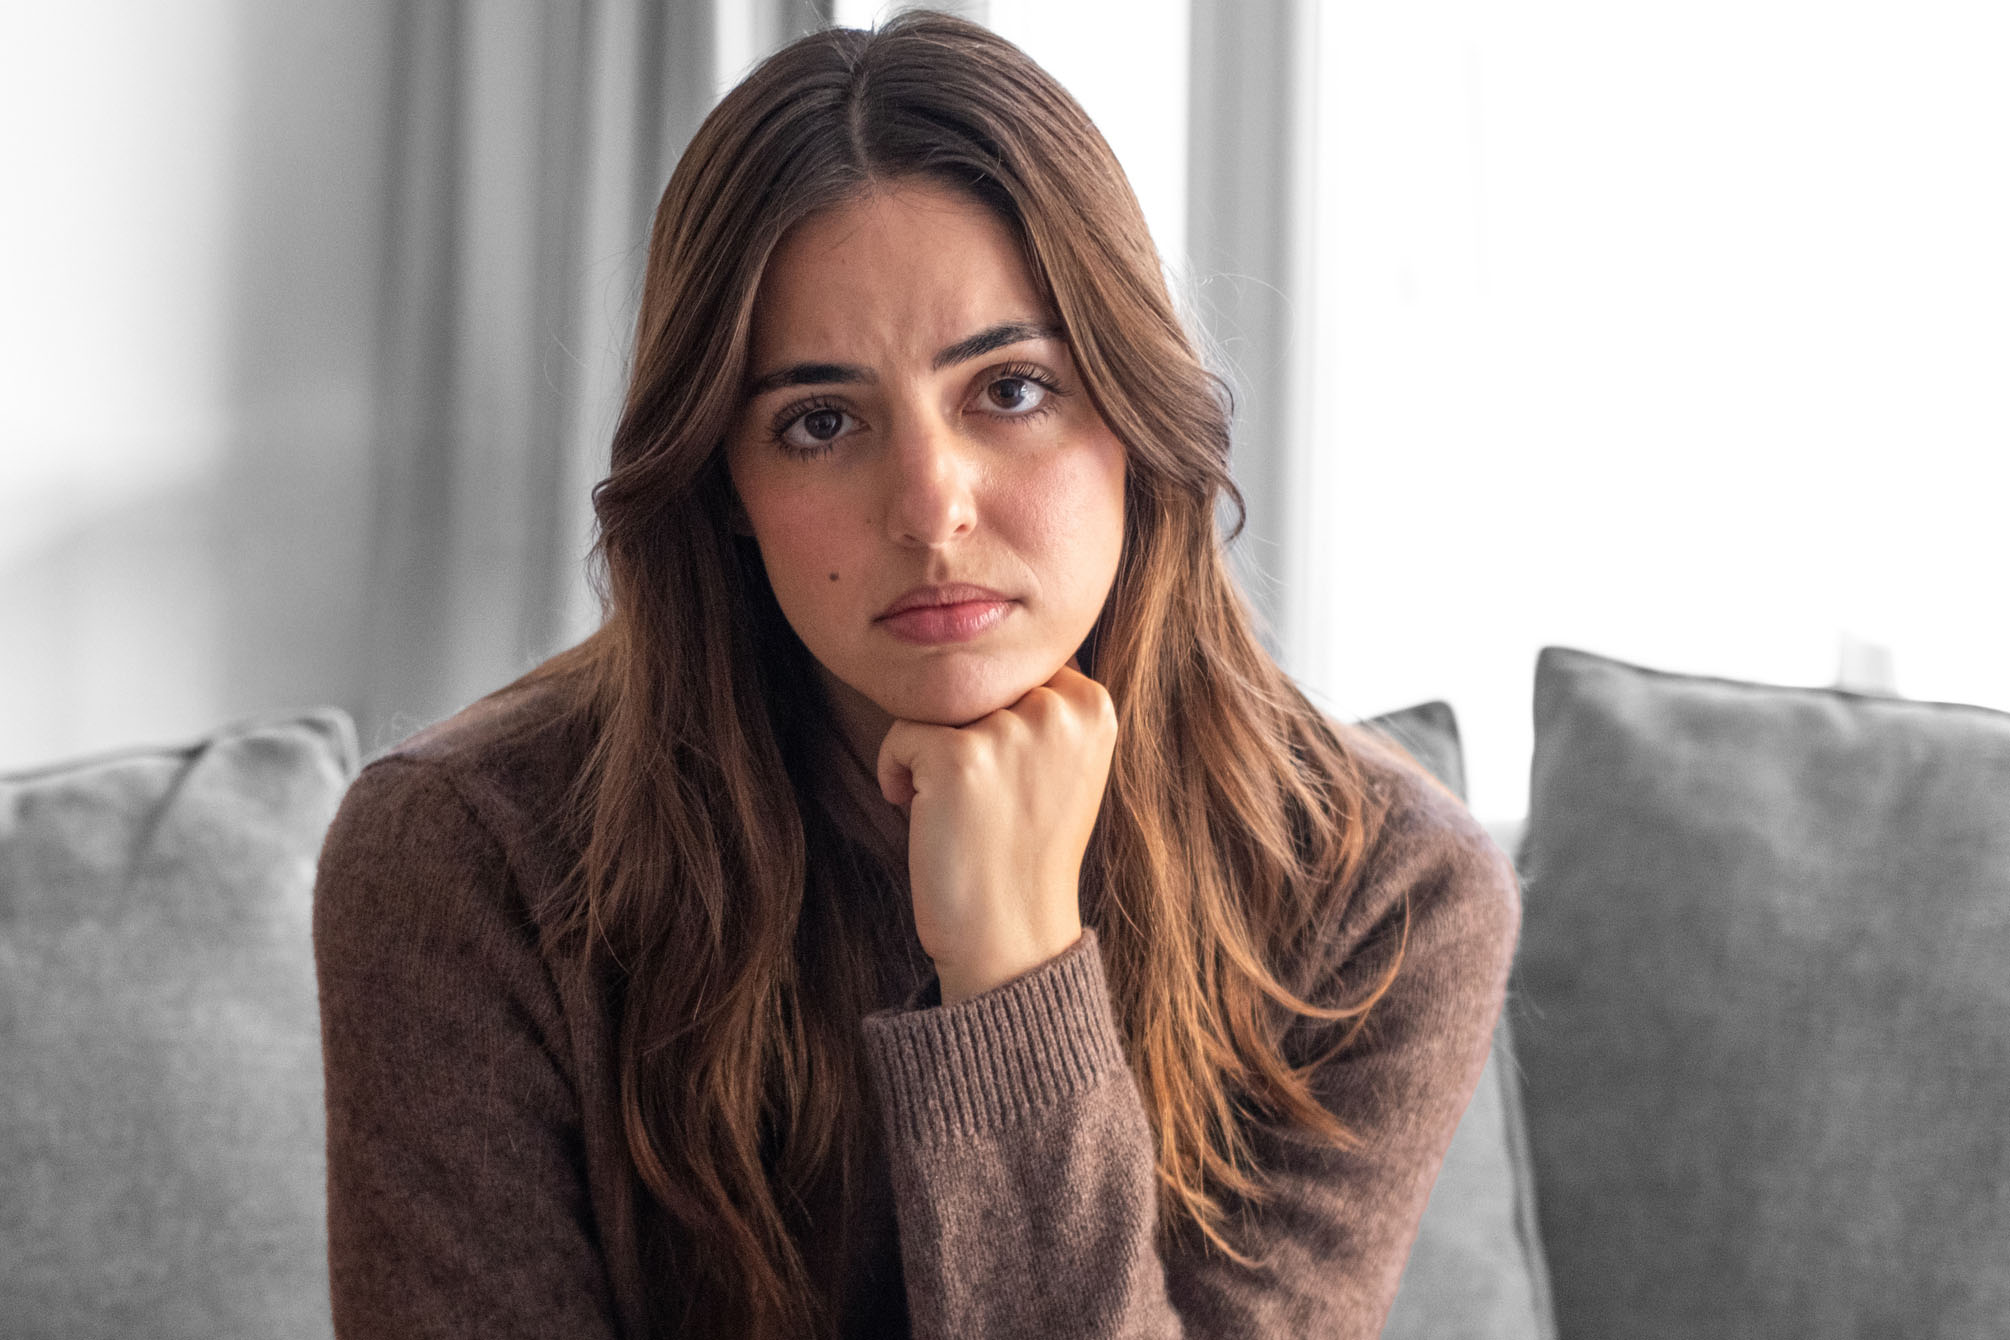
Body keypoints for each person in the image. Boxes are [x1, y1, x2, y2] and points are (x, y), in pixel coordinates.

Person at [311, 10, 1520, 1340]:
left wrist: (1012, 969)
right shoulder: (469, 858)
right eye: (819, 423)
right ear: (723, 482)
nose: (929, 508)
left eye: (1009, 390)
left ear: (1133, 413)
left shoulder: (1381, 892)